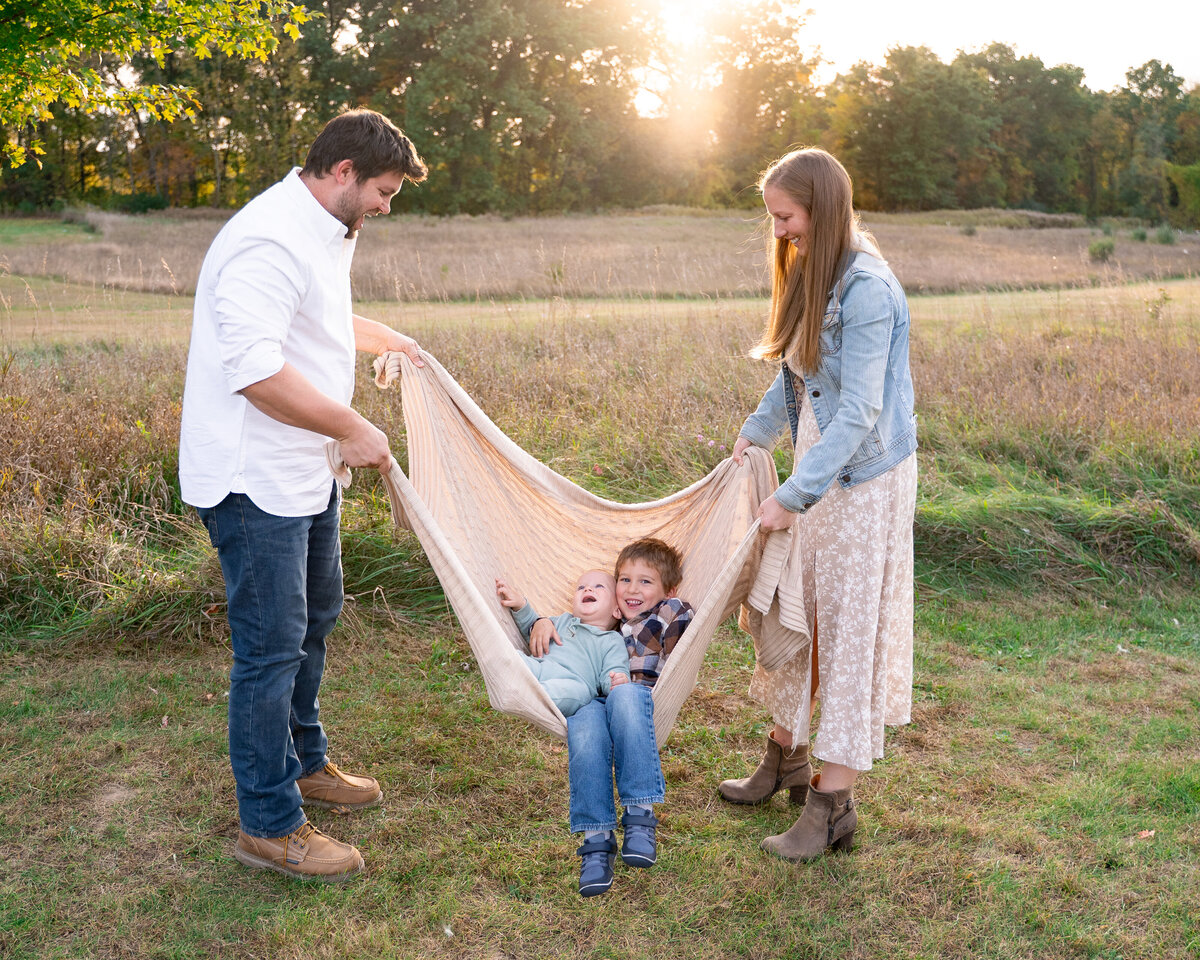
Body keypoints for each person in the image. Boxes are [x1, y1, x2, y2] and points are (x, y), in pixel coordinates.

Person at [179, 109, 428, 882]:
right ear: (345, 171)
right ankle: (270, 824)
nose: (387, 206)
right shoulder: (267, 239)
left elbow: (311, 321)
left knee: (316, 618)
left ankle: (306, 762)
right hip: (253, 479)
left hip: (304, 470)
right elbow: (255, 372)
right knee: (270, 649)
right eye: (384, 190)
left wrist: (384, 338)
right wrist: (355, 426)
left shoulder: (323, 227)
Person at [718, 147, 917, 861]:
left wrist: (793, 498)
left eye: (786, 216)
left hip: (860, 482)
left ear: (822, 209)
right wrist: (757, 432)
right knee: (800, 607)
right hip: (817, 460)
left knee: (846, 626)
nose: (777, 231)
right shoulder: (814, 266)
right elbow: (800, 369)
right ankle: (788, 757)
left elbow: (860, 409)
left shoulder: (868, 288)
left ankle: (833, 804)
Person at [561, 537, 694, 897]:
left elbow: (682, 647)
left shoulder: (669, 612)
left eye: (645, 581)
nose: (632, 589)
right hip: (596, 699)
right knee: (584, 725)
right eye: (624, 579)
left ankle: (639, 817)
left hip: (641, 698)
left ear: (668, 590)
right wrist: (541, 623)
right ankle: (597, 841)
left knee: (625, 696)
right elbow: (571, 630)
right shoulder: (607, 621)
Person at [494, 570, 631, 718]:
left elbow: (614, 668)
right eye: (581, 588)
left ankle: (529, 695)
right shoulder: (562, 621)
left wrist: (616, 680)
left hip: (574, 682)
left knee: (572, 693)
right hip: (540, 666)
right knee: (512, 657)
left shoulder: (612, 640)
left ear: (616, 611)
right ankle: (518, 686)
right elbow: (534, 632)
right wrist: (521, 605)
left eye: (599, 586)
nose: (588, 589)